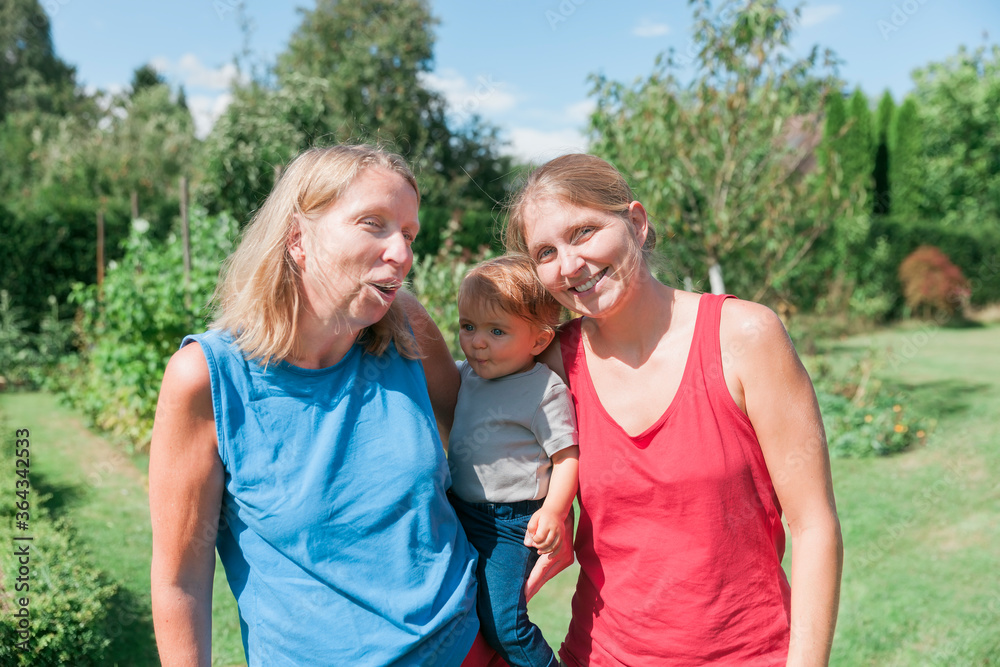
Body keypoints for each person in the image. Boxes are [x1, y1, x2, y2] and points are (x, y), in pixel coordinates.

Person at [148, 144, 525, 666]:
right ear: (297, 238)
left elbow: (490, 438)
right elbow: (180, 580)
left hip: (466, 649)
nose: (402, 254)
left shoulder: (406, 330)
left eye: (409, 234)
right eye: (374, 224)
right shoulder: (208, 379)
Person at [503, 153, 844, 666]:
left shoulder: (745, 337)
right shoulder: (552, 365)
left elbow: (814, 525)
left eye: (583, 232)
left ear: (637, 223)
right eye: (545, 252)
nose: (569, 265)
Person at [448, 255, 580, 667]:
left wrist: (554, 511)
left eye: (496, 331)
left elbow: (567, 456)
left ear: (539, 341)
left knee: (505, 623)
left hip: (512, 524)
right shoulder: (465, 376)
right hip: (459, 511)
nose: (477, 342)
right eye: (468, 326)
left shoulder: (543, 390)